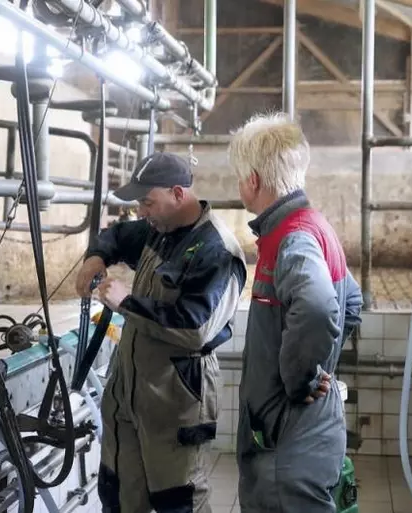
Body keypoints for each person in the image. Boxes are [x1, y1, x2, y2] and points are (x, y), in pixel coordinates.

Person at [74, 152, 247, 513]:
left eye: (147, 202)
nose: (141, 211)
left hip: (176, 398)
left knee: (177, 500)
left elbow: (196, 327)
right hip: (129, 393)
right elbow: (116, 236)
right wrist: (95, 259)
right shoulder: (160, 229)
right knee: (119, 493)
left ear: (178, 194)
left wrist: (127, 303)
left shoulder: (216, 250)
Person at [227, 112, 363, 512]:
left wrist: (301, 379)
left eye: (240, 177)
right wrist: (320, 360)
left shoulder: (292, 237)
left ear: (252, 180)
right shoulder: (313, 224)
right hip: (305, 431)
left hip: (286, 438)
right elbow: (351, 303)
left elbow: (321, 309)